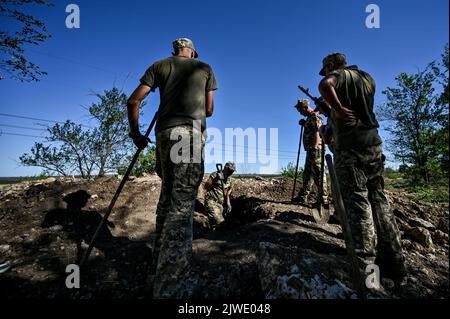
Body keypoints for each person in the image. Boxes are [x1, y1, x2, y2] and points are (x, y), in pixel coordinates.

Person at [127, 38, 218, 298]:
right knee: (181, 207)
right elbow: (209, 110)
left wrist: (136, 135)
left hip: (163, 135)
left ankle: (157, 269)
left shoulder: (159, 66)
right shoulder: (204, 68)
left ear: (174, 52)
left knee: (167, 201)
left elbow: (133, 101)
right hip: (188, 135)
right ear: (192, 53)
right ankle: (172, 287)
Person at [317, 53, 406, 281]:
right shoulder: (367, 78)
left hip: (352, 151)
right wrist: (332, 116)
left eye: (325, 69)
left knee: (358, 204)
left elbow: (325, 85)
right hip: (373, 146)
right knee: (379, 199)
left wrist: (335, 108)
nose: (326, 73)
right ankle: (395, 262)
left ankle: (366, 267)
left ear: (330, 65)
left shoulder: (339, 76)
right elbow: (355, 110)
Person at [294, 99, 329, 207]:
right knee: (308, 173)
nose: (299, 112)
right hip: (311, 149)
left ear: (304, 107)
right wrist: (305, 124)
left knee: (318, 173)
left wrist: (314, 147)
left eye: (300, 109)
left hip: (316, 149)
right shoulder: (310, 118)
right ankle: (303, 196)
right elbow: (310, 129)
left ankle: (324, 200)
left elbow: (317, 133)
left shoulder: (315, 117)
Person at [203, 162, 236, 228]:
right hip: (211, 201)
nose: (230, 173)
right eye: (229, 171)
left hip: (221, 204)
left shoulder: (231, 180)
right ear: (225, 168)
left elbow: (228, 194)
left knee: (225, 222)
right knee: (219, 222)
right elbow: (206, 186)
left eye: (232, 171)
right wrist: (216, 179)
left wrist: (228, 204)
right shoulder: (215, 175)